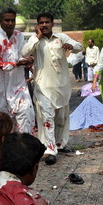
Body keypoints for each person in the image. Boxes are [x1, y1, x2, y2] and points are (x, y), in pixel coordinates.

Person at [22, 12, 83, 165]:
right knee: (47, 118)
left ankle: (60, 144)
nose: (44, 25)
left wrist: (71, 46)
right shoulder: (34, 40)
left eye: (47, 22)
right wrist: (37, 37)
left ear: (52, 24)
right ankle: (50, 150)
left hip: (61, 86)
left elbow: (79, 47)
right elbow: (25, 52)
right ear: (38, 25)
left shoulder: (60, 38)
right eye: (41, 23)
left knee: (61, 117)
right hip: (43, 87)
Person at [0, 8, 36, 134]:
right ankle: (9, 149)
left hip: (20, 84)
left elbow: (21, 55)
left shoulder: (19, 36)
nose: (10, 23)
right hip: (2, 87)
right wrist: (16, 64)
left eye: (12, 20)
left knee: (27, 113)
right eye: (7, 20)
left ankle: (25, 147)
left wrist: (28, 59)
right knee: (7, 122)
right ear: (0, 21)